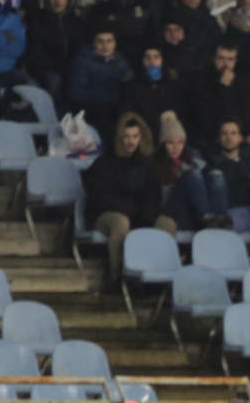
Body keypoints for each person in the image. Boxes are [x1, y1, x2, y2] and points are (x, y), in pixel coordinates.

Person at [83, 113, 176, 286]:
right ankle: (118, 277)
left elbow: (153, 196)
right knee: (121, 222)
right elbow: (100, 197)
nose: (130, 141)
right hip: (106, 216)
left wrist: (144, 218)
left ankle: (158, 275)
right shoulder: (104, 163)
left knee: (167, 224)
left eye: (135, 136)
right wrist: (131, 211)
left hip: (138, 215)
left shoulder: (147, 164)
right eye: (126, 137)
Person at [155, 111, 230, 230]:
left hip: (192, 214)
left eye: (180, 143)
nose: (176, 147)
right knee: (192, 175)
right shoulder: (155, 164)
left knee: (216, 175)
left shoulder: (190, 161)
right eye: (170, 143)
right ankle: (207, 218)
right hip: (173, 214)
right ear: (163, 144)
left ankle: (221, 220)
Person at [25, 0, 85, 115]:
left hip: (71, 68)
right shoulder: (38, 21)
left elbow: (80, 50)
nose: (57, 0)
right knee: (55, 82)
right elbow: (35, 53)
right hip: (47, 69)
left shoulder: (76, 22)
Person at [189, 41, 250, 147]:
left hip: (240, 137)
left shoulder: (243, 83)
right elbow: (207, 117)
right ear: (214, 59)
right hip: (214, 138)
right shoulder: (201, 82)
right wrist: (223, 88)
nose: (226, 64)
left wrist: (249, 134)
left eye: (230, 59)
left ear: (235, 61)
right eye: (221, 59)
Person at [68, 25, 132, 137]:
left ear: (115, 43)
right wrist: (110, 93)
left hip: (117, 109)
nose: (105, 46)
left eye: (109, 41)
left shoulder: (120, 61)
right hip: (92, 111)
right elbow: (77, 93)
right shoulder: (83, 61)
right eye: (100, 41)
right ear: (93, 43)